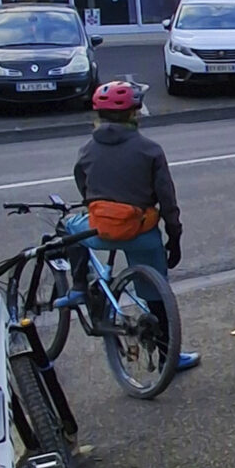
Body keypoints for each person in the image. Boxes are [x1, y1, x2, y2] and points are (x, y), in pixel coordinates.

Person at [74, 79, 200, 373]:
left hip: (100, 231)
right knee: (157, 293)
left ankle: (79, 285)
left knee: (68, 228)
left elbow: (84, 189)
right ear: (134, 113)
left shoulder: (86, 150)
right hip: (140, 233)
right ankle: (169, 356)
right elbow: (167, 200)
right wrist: (174, 237)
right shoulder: (150, 150)